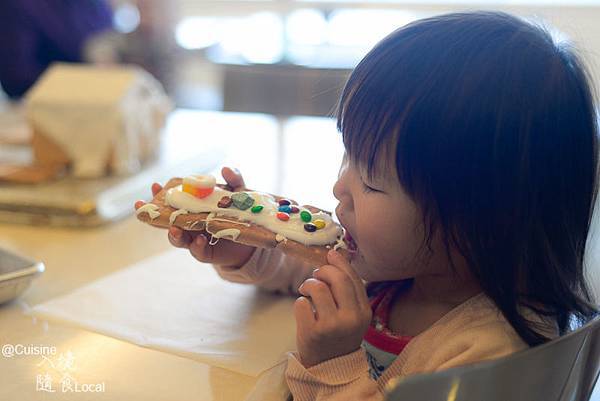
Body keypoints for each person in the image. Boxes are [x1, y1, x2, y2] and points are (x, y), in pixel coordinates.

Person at [146, 11, 599, 400]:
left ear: (477, 219)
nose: (340, 187)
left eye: (372, 181)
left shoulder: (490, 355)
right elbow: (309, 273)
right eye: (348, 156)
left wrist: (335, 367)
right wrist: (247, 248)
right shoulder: (396, 266)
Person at [0, 0, 114, 98]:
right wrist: (86, 82)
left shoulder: (92, 5)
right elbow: (16, 78)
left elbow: (109, 40)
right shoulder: (19, 5)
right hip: (41, 107)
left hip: (99, 99)